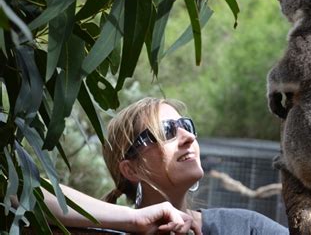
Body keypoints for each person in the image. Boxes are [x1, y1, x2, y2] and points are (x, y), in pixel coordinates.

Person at [45, 97, 288, 234]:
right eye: (167, 131)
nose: (188, 137)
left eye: (187, 126)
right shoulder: (104, 231)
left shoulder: (244, 228)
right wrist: (131, 219)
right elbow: (16, 188)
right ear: (131, 169)